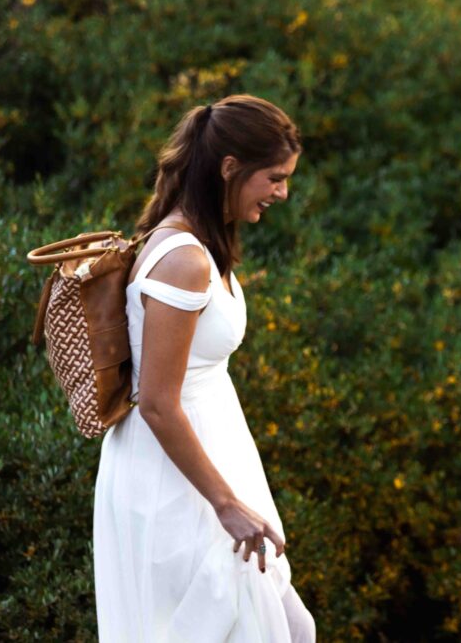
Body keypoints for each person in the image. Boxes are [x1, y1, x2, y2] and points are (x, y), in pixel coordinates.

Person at [94, 95, 316, 642]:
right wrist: (225, 505)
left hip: (209, 460)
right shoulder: (184, 260)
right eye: (275, 177)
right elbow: (156, 401)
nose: (282, 192)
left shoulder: (196, 244)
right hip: (176, 483)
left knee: (287, 627)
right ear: (229, 169)